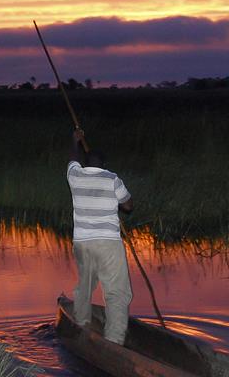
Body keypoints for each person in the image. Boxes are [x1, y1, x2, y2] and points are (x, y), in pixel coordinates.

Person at [66, 128, 133, 345]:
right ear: (104, 165)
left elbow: (73, 159)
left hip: (83, 243)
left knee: (85, 286)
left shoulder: (75, 176)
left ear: (86, 164)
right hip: (108, 244)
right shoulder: (112, 178)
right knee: (117, 293)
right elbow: (128, 206)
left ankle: (81, 324)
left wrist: (75, 141)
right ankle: (113, 342)